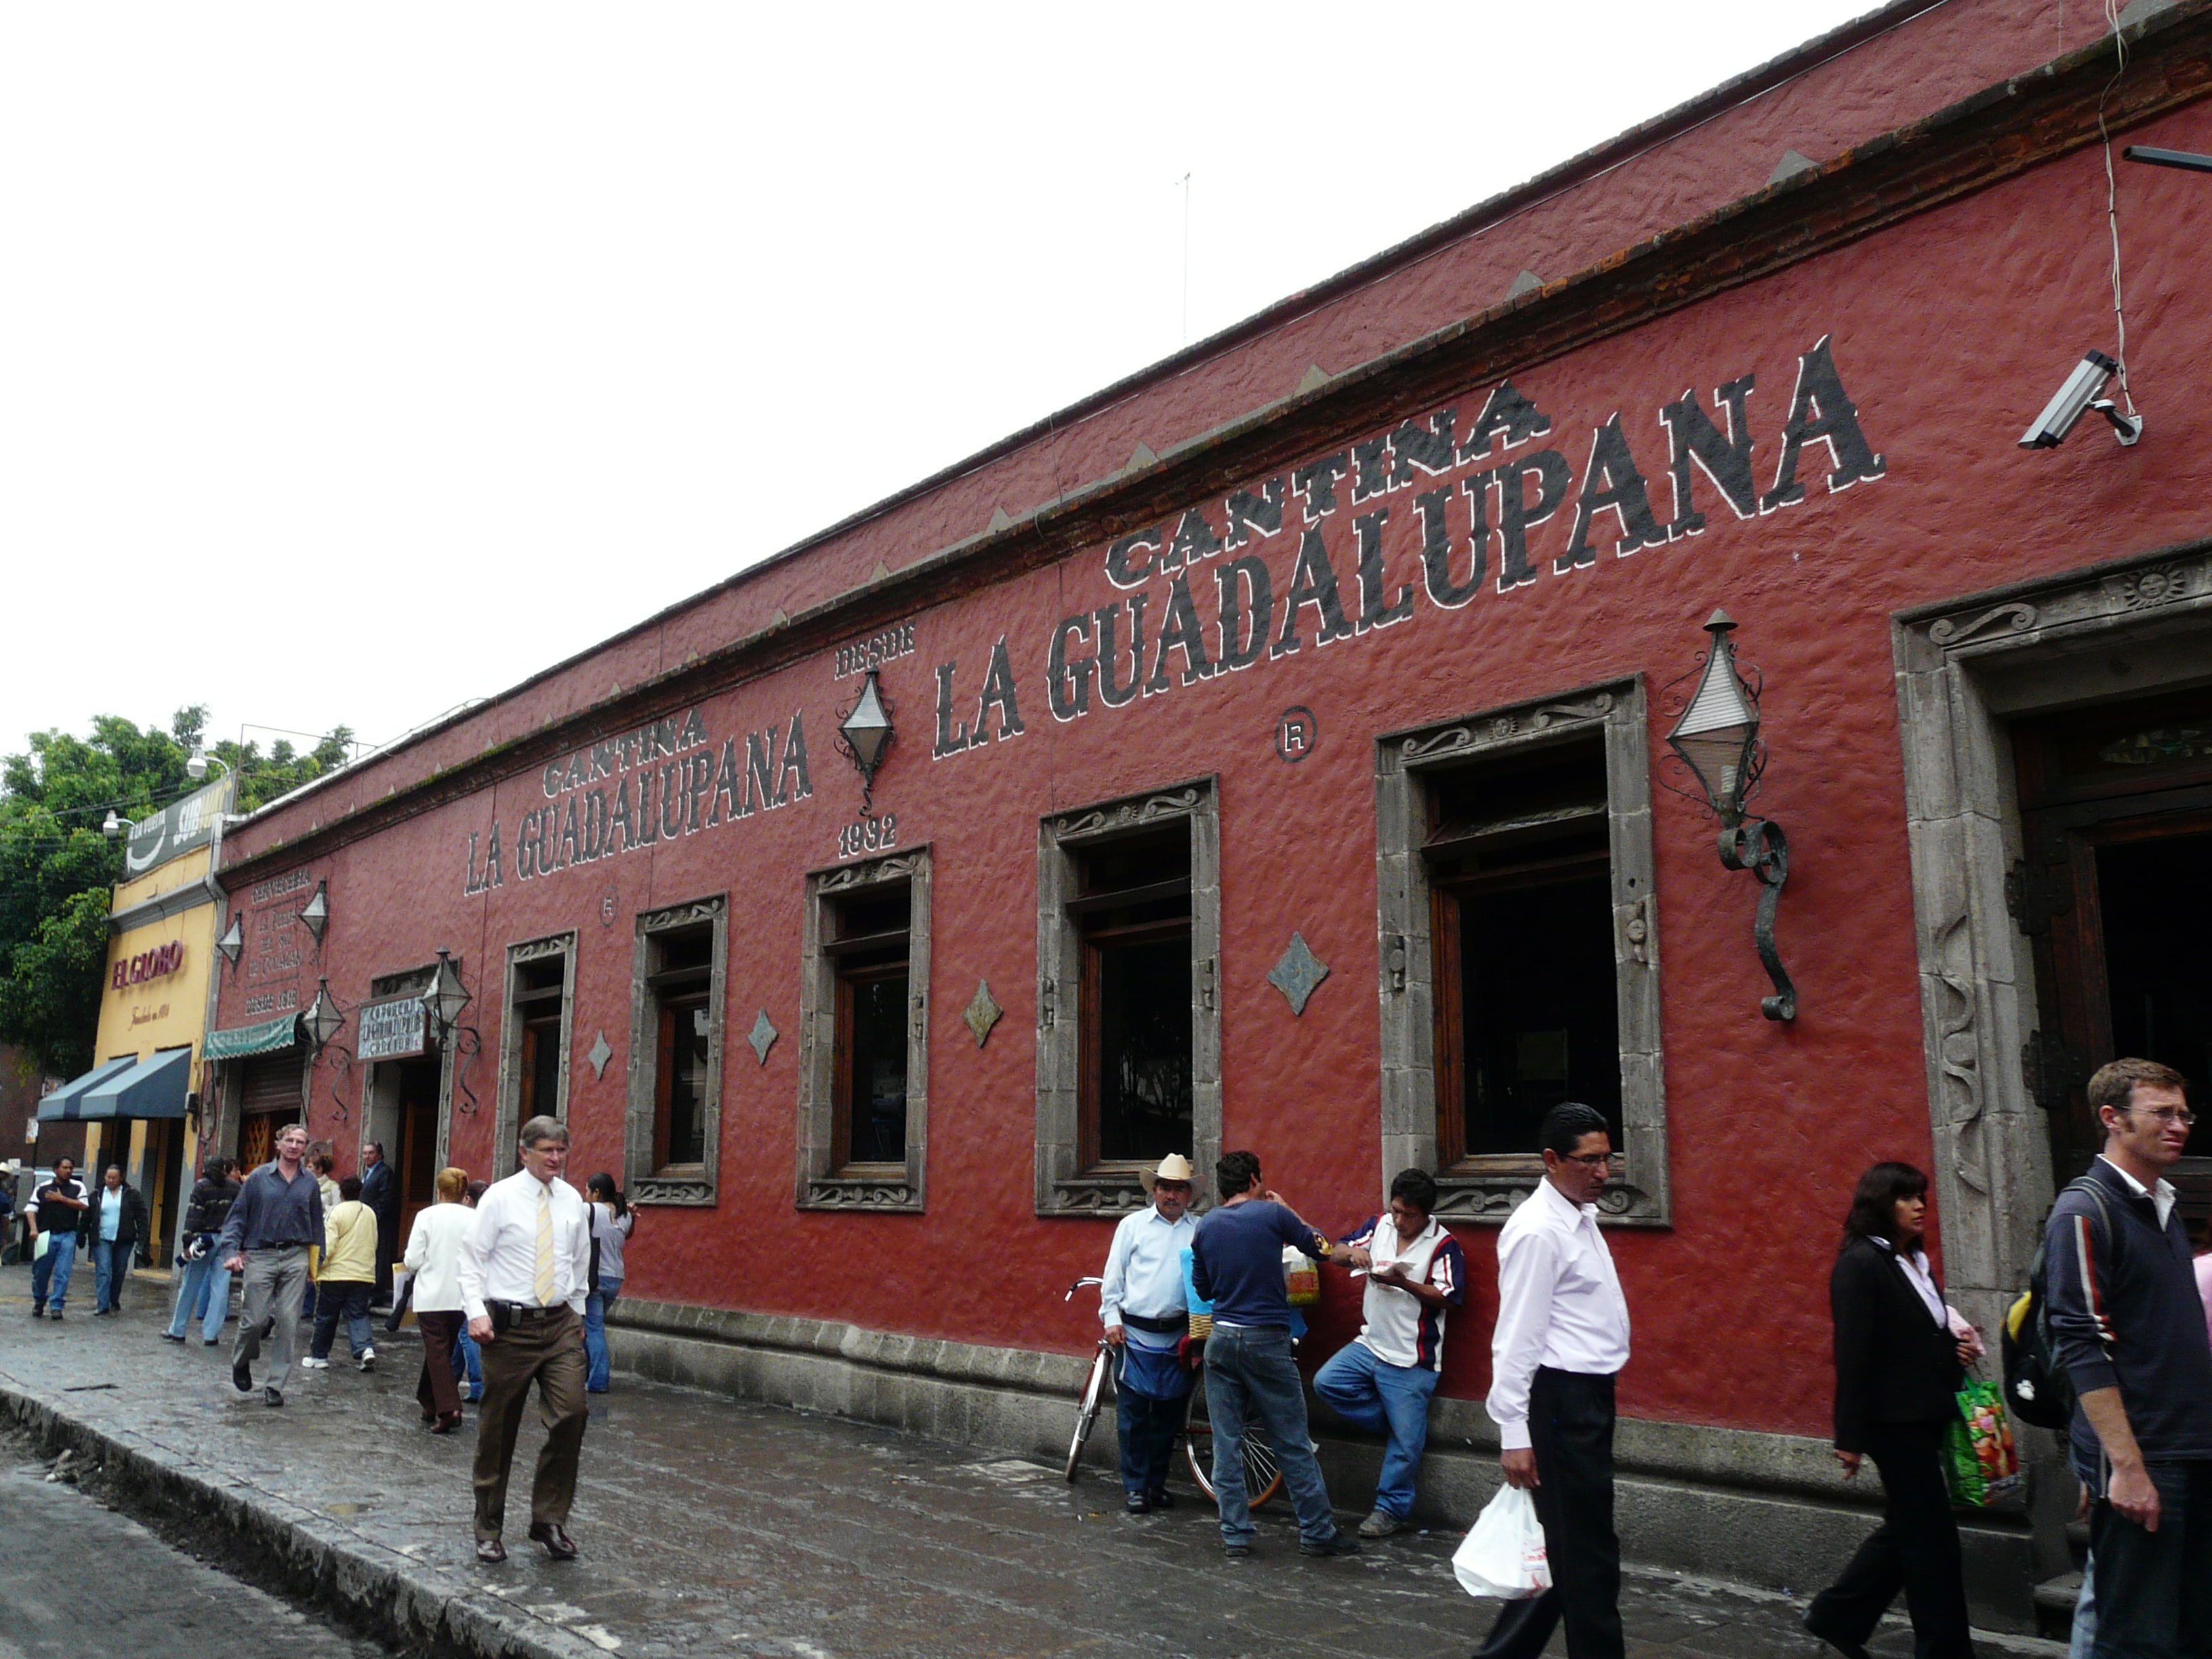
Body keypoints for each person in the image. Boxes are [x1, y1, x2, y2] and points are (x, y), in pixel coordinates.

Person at [2043, 1057, 2212, 1659]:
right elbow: (2082, 1344)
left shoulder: (2161, 1203)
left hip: (2187, 1450)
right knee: (2133, 1638)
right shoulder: (2085, 1212)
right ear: (2113, 1119)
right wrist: (2122, 1465)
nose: (2180, 1126)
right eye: (2163, 1113)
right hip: (2150, 1457)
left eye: (2184, 1113)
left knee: (2192, 1628)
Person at [1803, 1162, 1982, 1659]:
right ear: (1880, 1205)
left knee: (1909, 1527)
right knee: (1933, 1540)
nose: (1920, 1205)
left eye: (1921, 1195)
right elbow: (1854, 1352)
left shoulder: (1914, 1263)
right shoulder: (1860, 1264)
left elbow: (1919, 1336)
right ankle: (1944, 1649)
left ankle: (1837, 1617)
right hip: (1891, 1421)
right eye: (1906, 1197)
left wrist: (1955, 1351)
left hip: (1926, 1413)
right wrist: (1850, 1437)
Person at [1476, 1101, 1632, 1659]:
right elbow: (1515, 1337)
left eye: (1607, 1158)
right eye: (1588, 1161)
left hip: (1586, 1396)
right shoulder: (1539, 1231)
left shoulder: (1576, 1218)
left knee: (1568, 1549)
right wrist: (1513, 1434)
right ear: (1551, 1160)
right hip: (1561, 1399)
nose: (1603, 1172)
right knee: (1586, 1556)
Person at [1188, 1148, 1356, 1559]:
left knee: (1227, 1443)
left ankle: (1235, 1536)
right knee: (1292, 1441)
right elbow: (1319, 1247)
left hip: (1222, 1339)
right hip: (1266, 1339)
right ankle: (1316, 1531)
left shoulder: (1205, 1227)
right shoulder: (1272, 1215)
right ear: (1253, 1181)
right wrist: (1289, 1212)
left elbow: (1204, 1289)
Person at [457, 1115, 592, 1563]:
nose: (556, 1159)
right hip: (507, 1330)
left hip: (559, 1326)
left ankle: (548, 1520)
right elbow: (471, 1256)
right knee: (498, 1429)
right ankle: (488, 1526)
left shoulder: (573, 1200)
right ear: (525, 1152)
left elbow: (578, 1262)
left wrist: (578, 1314)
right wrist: (475, 1312)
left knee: (572, 1413)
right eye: (547, 1151)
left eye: (561, 1151)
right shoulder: (499, 1198)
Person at [1315, 1166, 1467, 1538]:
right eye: (1396, 1210)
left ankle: (1389, 1509)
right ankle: (1397, 1425)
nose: (1399, 1220)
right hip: (1371, 1344)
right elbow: (1336, 1251)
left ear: (1426, 1213)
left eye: (1408, 1215)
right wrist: (1352, 1256)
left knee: (1406, 1445)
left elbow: (1450, 1298)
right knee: (1327, 1383)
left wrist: (1405, 1284)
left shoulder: (1444, 1245)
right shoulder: (1380, 1225)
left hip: (1413, 1358)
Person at [1098, 1152, 1198, 1513]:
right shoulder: (1133, 1226)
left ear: (1189, 1194)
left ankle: (1157, 1483)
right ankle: (1136, 1486)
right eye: (1165, 1188)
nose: (1171, 1195)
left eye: (1178, 1189)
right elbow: (1115, 1277)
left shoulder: (1198, 1231)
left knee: (1169, 1417)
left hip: (1178, 1336)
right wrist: (1111, 1318)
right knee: (1135, 1416)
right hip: (1134, 1335)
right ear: (1154, 1190)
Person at [218, 1122, 324, 1407]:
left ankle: (275, 1385)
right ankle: (241, 1361)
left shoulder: (310, 1182)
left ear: (305, 1149)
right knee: (255, 1321)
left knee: (289, 1323)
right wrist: (231, 1250)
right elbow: (237, 1217)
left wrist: (318, 1264)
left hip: (296, 1256)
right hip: (261, 1254)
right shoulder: (258, 1179)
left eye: (300, 1142)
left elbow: (317, 1224)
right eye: (289, 1140)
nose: (294, 1146)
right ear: (278, 1144)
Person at [405, 1166, 475, 1433]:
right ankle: (428, 1399)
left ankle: (449, 1407)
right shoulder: (473, 1217)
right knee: (441, 1350)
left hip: (431, 1293)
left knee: (437, 1350)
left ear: (440, 1191)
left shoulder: (426, 1216)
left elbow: (413, 1259)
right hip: (460, 1295)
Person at [306, 1175, 379, 1371]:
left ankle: (319, 1356)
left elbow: (327, 1245)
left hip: (335, 1274)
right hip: (363, 1274)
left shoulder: (335, 1212)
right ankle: (365, 1348)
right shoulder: (370, 1213)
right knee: (358, 1314)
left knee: (326, 1316)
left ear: (342, 1193)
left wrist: (315, 1268)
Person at [165, 1158, 241, 1345]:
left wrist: (188, 1242)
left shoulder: (201, 1187)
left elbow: (194, 1214)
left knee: (190, 1285)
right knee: (220, 1289)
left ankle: (178, 1330)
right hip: (228, 1240)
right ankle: (211, 1335)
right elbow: (240, 1216)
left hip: (204, 1240)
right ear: (225, 1169)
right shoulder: (235, 1188)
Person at [582, 1172, 634, 1395]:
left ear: (596, 1192)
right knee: (591, 1325)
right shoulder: (625, 1216)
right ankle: (584, 1372)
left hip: (595, 1277)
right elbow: (627, 1235)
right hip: (616, 1277)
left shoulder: (589, 1210)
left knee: (593, 1327)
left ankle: (598, 1379)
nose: (585, 1195)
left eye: (587, 1190)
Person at [27, 1158, 89, 1319]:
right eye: (65, 1167)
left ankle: (57, 1305)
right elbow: (31, 1209)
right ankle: (39, 1301)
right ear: (56, 1169)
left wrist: (62, 1199)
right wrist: (33, 1229)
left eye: (71, 1168)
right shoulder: (43, 1188)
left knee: (63, 1272)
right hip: (45, 1234)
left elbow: (84, 1206)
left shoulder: (78, 1187)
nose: (68, 1171)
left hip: (68, 1234)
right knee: (41, 1272)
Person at [87, 1162, 149, 1315]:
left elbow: (142, 1218)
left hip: (124, 1240)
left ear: (121, 1178)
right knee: (103, 1270)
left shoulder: (132, 1195)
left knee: (119, 1271)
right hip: (102, 1238)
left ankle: (113, 1299)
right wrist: (82, 1234)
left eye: (114, 1178)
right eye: (108, 1177)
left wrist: (142, 1240)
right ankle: (102, 1305)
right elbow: (88, 1214)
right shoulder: (97, 1194)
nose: (110, 1180)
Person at [449, 1180, 489, 1404]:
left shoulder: (469, 1220)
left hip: (470, 1286)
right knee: (460, 1337)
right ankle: (450, 1381)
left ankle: (478, 1386)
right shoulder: (488, 1220)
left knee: (467, 1335)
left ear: (468, 1199)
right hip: (484, 1284)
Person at [360, 1141, 398, 1307]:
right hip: (366, 1222)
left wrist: (372, 1217)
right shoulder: (367, 1172)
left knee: (380, 1256)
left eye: (371, 1153)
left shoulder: (384, 1173)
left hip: (379, 1222)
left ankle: (377, 1292)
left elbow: (385, 1199)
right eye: (365, 1153)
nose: (367, 1156)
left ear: (379, 1155)